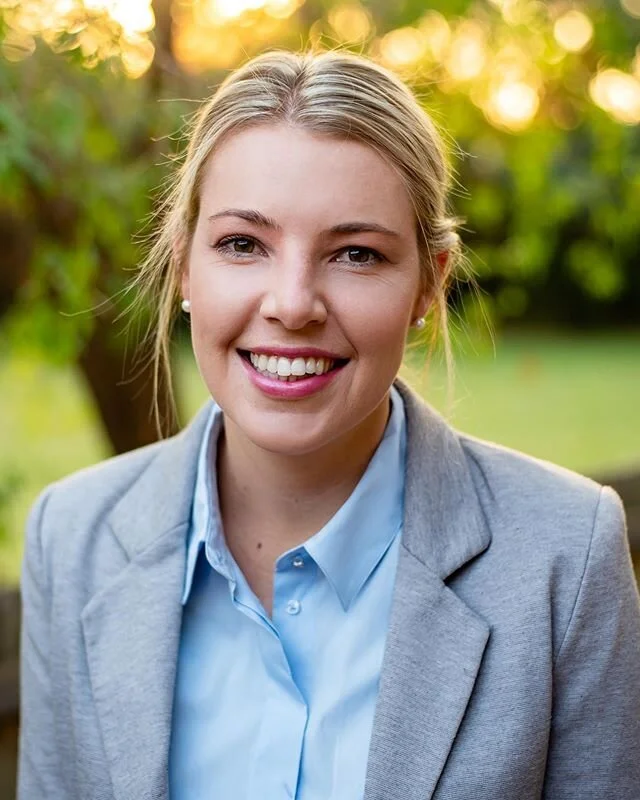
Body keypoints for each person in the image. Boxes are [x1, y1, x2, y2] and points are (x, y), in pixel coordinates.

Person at [18, 49, 640, 800]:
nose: (292, 303)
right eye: (243, 244)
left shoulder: (565, 558)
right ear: (185, 267)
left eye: (355, 253)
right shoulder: (71, 538)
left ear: (428, 284)